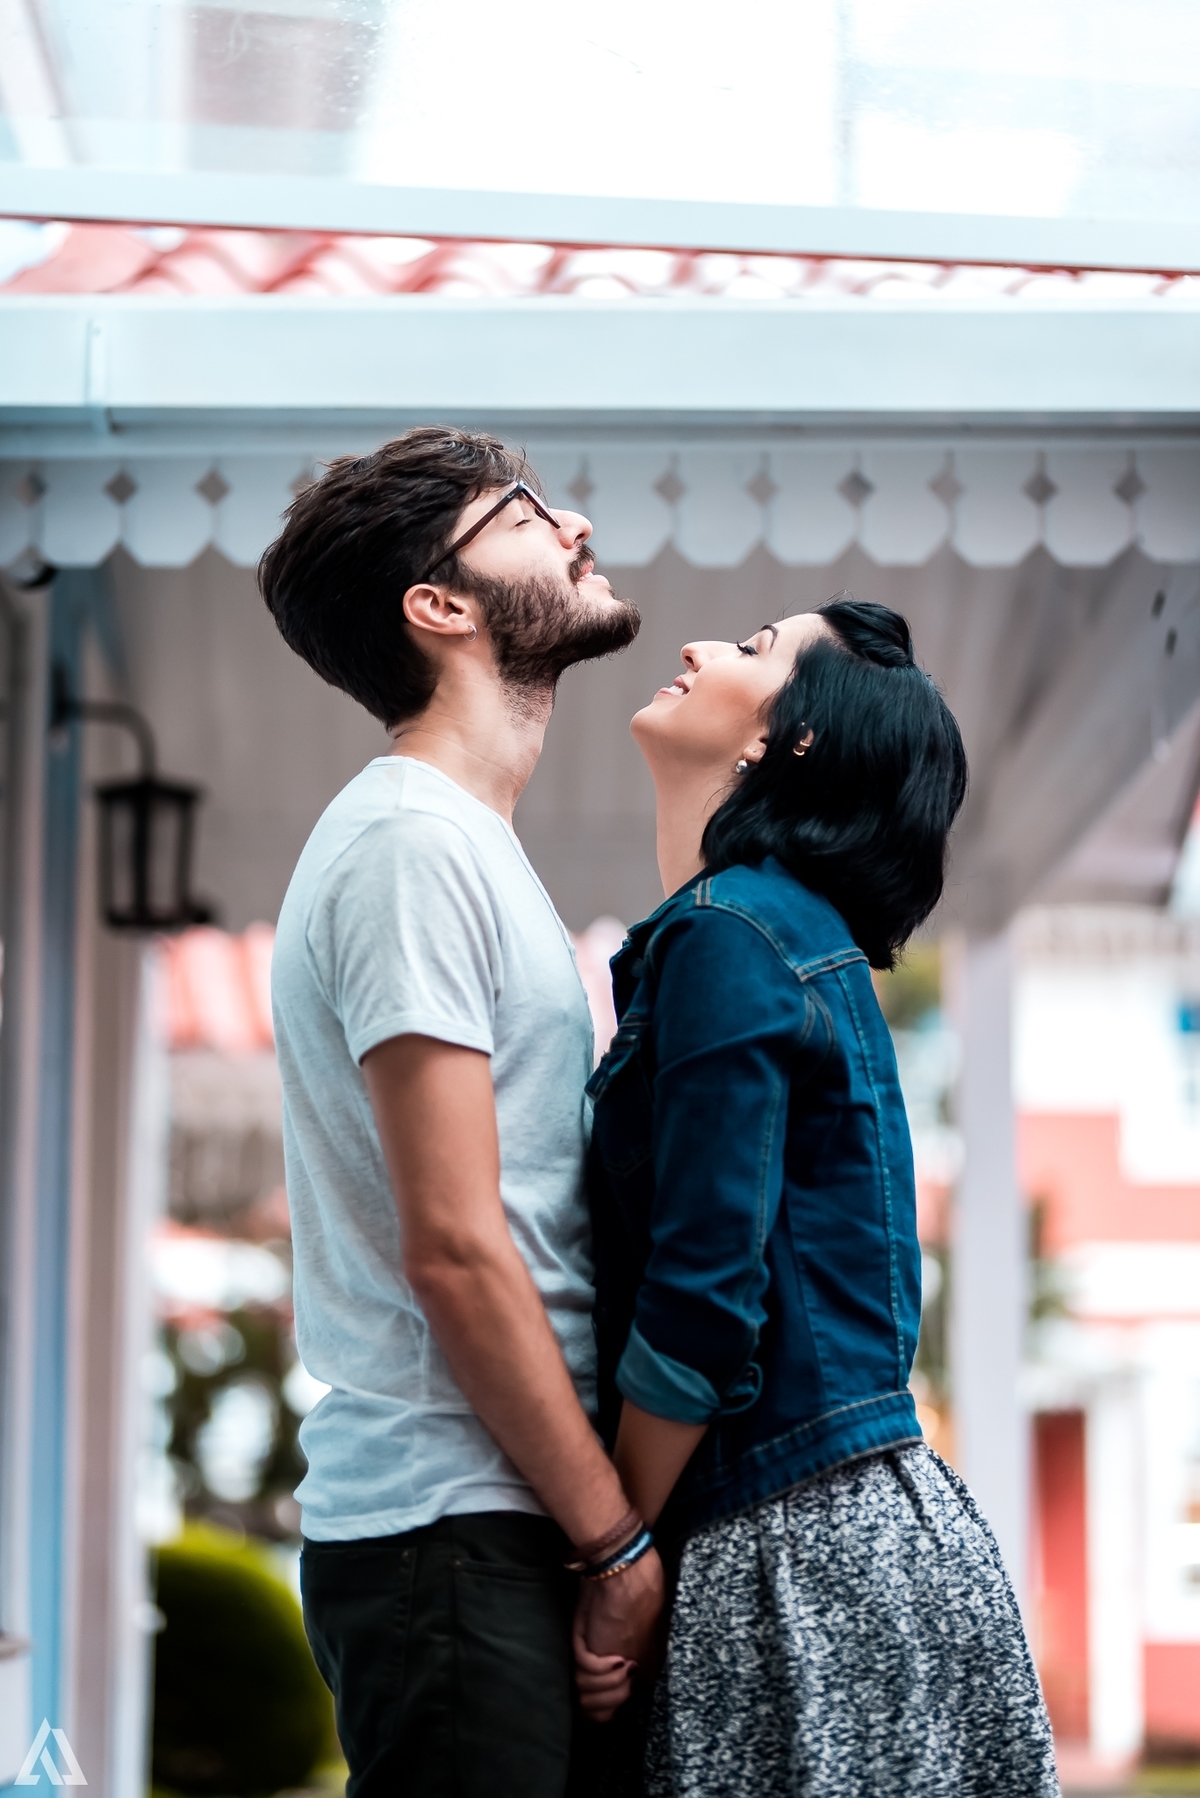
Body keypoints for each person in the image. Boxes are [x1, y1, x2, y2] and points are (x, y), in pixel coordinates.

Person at [579, 598, 1060, 1796]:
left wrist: (615, 1551)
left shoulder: (732, 934)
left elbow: (703, 1300)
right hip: (862, 1527)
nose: (697, 648)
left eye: (753, 650)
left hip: (796, 1542)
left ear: (785, 740)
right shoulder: (778, 933)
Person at [260, 427, 665, 1798]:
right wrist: (615, 1540)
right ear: (439, 605)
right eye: (529, 514)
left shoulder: (459, 842)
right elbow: (455, 1244)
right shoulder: (411, 846)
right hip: (449, 1523)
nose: (578, 525)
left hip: (494, 1513)